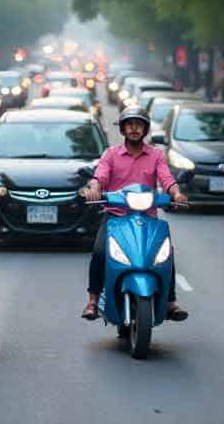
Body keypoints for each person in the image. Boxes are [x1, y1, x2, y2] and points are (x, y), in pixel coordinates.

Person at [81, 106, 189, 322]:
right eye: (129, 124)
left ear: (145, 129)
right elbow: (100, 176)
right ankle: (92, 300)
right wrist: (94, 188)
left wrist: (176, 193)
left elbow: (166, 178)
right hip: (116, 217)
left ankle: (169, 301)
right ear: (122, 129)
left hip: (147, 218)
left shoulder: (156, 155)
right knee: (100, 251)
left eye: (138, 125)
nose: (134, 129)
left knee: (165, 253)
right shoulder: (111, 154)